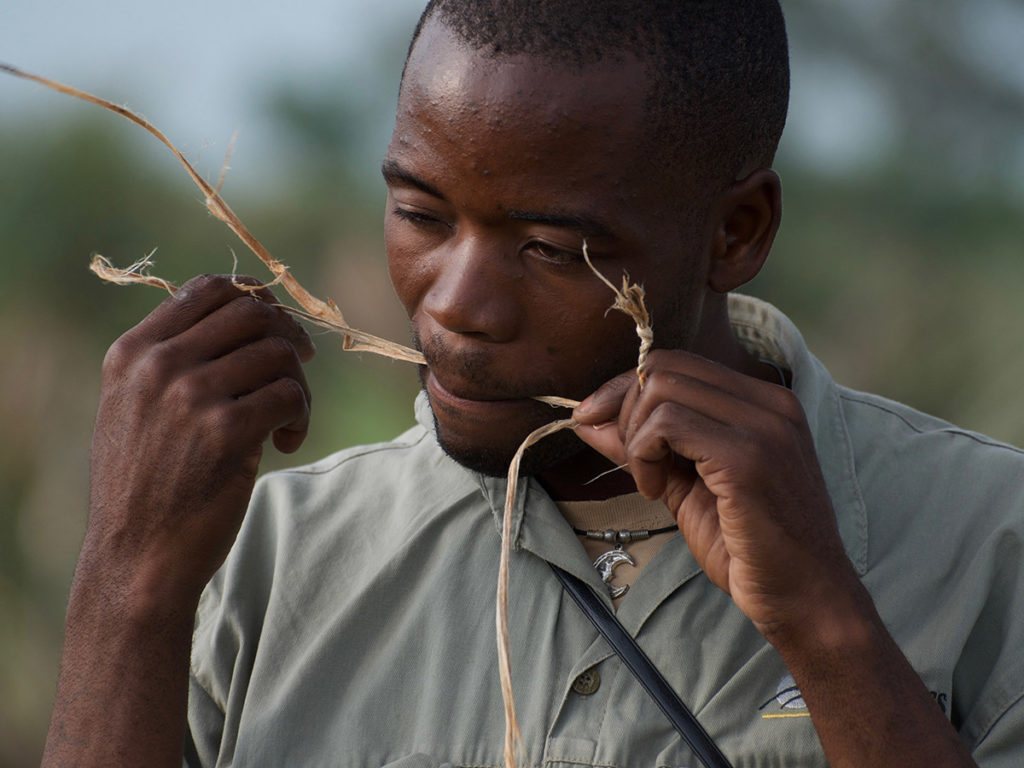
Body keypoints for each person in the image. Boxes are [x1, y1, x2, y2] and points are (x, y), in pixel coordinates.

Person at [42, 1, 1024, 766]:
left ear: (736, 233)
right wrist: (126, 585)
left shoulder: (988, 546)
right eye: (422, 216)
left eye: (552, 248)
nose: (455, 308)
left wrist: (824, 623)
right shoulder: (266, 563)